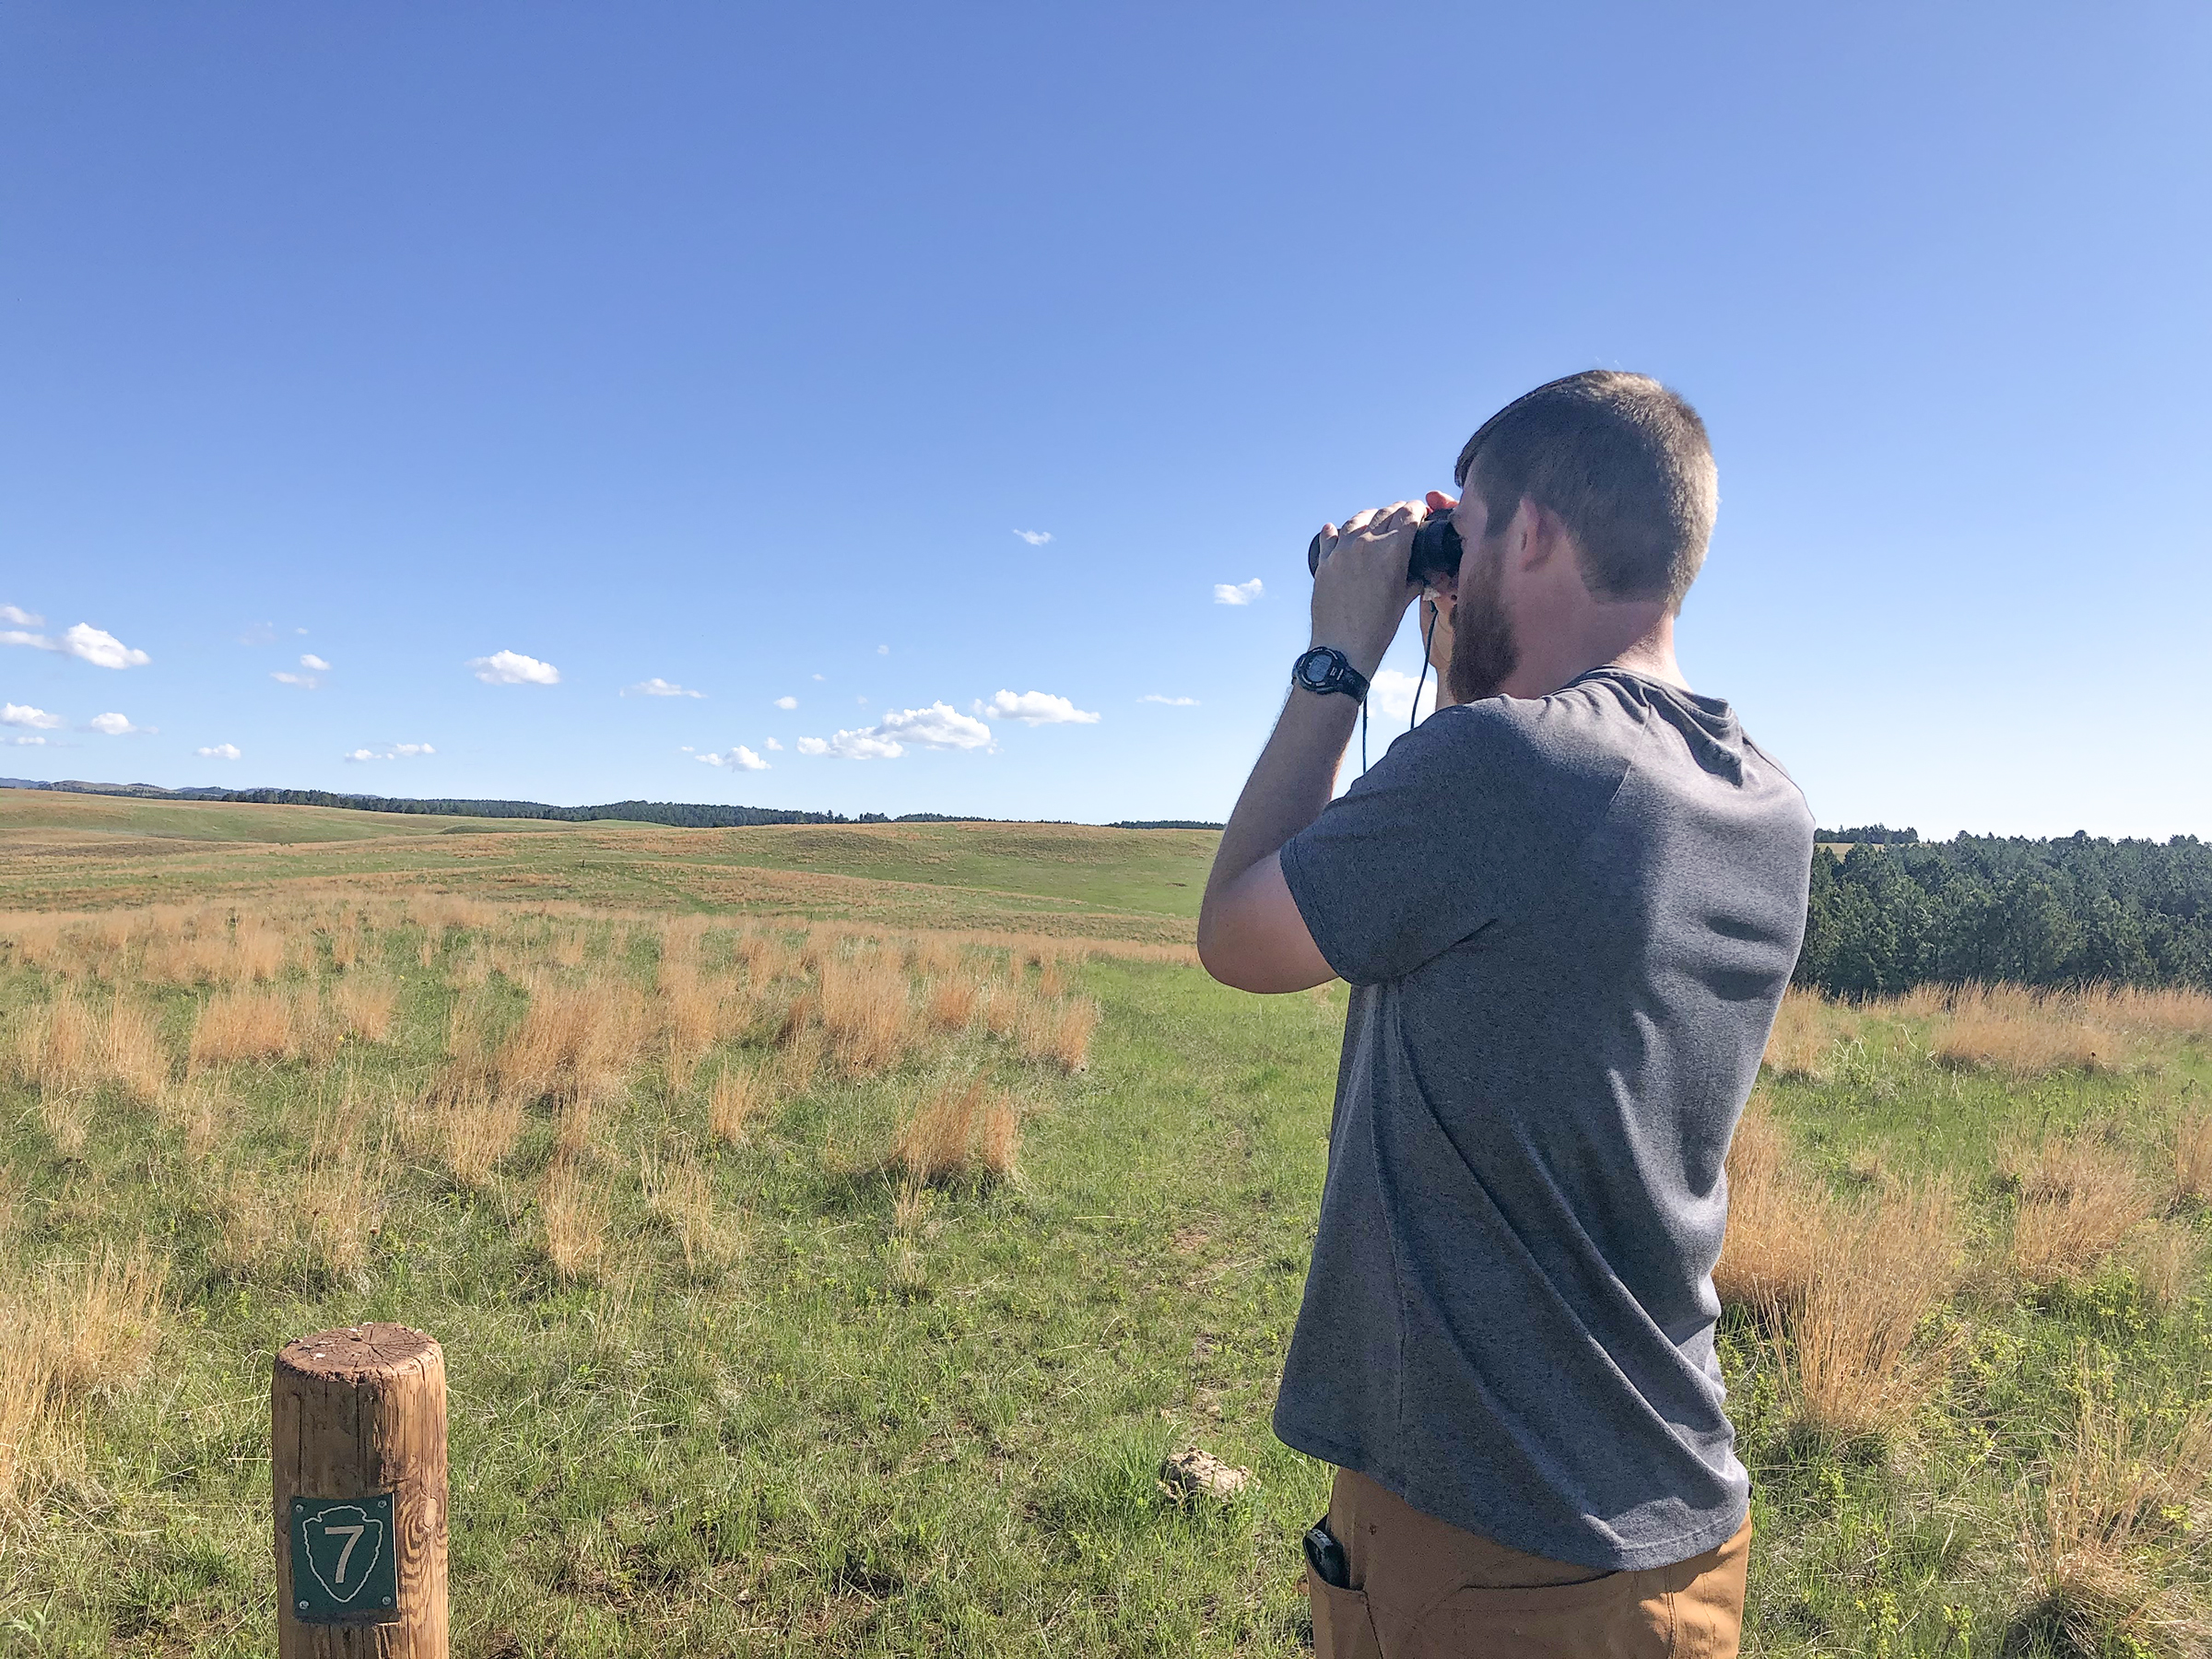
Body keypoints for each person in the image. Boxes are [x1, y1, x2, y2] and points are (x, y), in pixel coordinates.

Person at [1196, 371, 1813, 1658]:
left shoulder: (1506, 768)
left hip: (1487, 1540)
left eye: (1464, 528)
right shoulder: (1761, 801)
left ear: (1532, 534)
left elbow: (1237, 937)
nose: (1448, 563)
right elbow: (1523, 895)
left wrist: (1337, 656)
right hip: (1671, 1528)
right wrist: (1465, 656)